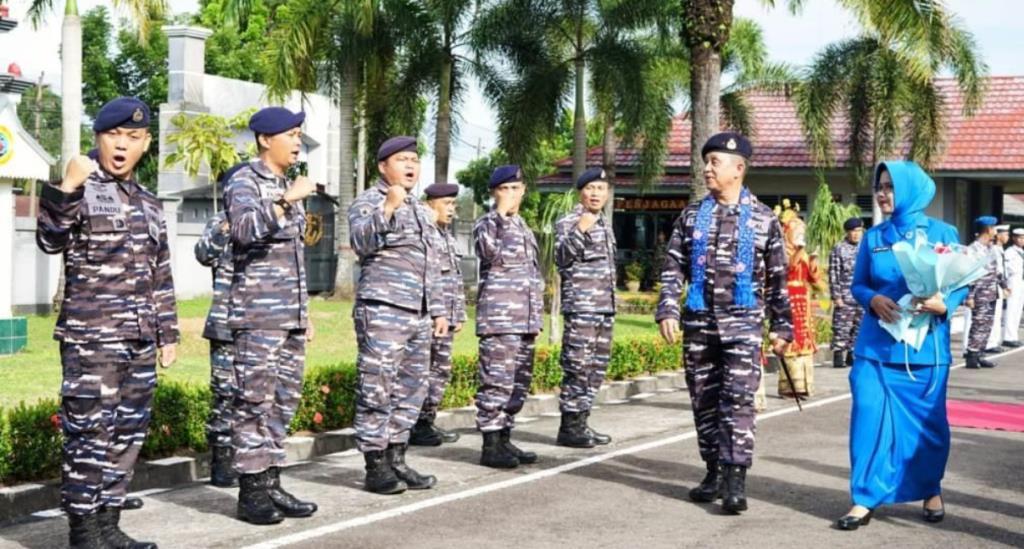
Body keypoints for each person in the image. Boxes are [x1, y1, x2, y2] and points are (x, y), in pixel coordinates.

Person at [37, 97, 177, 549]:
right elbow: (49, 239)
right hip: (91, 339)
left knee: (127, 434)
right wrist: (67, 187)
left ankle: (109, 526)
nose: (122, 145)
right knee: (89, 434)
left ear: (146, 143)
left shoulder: (150, 203)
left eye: (133, 138)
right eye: (114, 135)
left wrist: (167, 333)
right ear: (98, 138)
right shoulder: (80, 185)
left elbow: (161, 272)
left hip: (139, 338)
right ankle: (83, 531)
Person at [657, 132, 792, 515]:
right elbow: (673, 266)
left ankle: (735, 478)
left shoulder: (765, 220)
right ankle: (713, 471)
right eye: (707, 161)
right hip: (700, 324)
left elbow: (779, 279)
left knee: (738, 400)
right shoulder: (690, 216)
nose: (707, 169)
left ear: (739, 168)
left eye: (715, 162)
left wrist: (782, 327)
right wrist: (668, 308)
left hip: (743, 327)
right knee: (704, 401)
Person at [837, 161, 968, 530]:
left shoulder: (943, 233)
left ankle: (930, 488)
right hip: (876, 348)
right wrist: (872, 299)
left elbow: (961, 281)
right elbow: (859, 284)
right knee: (867, 418)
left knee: (928, 428)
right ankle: (864, 497)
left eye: (891, 187)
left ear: (911, 190)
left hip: (926, 351)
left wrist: (947, 305)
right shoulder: (875, 238)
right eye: (880, 186)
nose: (883, 194)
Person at [224, 107, 318, 524]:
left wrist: (306, 313)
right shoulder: (245, 180)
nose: (297, 141)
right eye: (291, 134)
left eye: (299, 134)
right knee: (253, 403)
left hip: (290, 316)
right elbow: (242, 231)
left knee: (283, 402)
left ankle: (272, 483)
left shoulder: (286, 183)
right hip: (259, 315)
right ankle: (250, 494)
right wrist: (284, 201)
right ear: (265, 139)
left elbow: (294, 259)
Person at [349, 136, 448, 494]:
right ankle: (375, 465)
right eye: (403, 159)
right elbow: (360, 243)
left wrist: (437, 310)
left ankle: (397, 458)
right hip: (383, 309)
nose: (410, 166)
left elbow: (432, 264)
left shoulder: (423, 210)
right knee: (377, 387)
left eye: (415, 159)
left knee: (411, 389)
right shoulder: (369, 201)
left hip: (419, 314)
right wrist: (387, 209)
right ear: (383, 166)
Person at [474, 165, 544, 469]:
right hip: (500, 318)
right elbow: (488, 253)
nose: (511, 195)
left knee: (518, 382)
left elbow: (532, 273)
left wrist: (535, 317)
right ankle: (490, 444)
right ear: (494, 193)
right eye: (505, 189)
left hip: (524, 318)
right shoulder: (488, 223)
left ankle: (504, 437)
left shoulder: (524, 226)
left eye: (516, 189)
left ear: (524, 191)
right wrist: (500, 216)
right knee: (497, 381)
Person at [554, 167, 616, 448]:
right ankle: (569, 427)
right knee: (577, 365)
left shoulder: (605, 223)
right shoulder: (569, 221)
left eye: (601, 189)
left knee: (596, 368)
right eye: (590, 188)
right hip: (581, 307)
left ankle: (582, 422)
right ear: (581, 192)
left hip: (604, 308)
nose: (595, 194)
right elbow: (562, 258)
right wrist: (580, 229)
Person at [194, 162, 247, 488]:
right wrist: (226, 225)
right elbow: (203, 254)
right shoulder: (221, 221)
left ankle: (250, 456)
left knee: (254, 394)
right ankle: (222, 458)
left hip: (260, 321)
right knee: (225, 393)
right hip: (226, 323)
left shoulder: (264, 219)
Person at [409, 182, 466, 446]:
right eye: (446, 204)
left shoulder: (447, 236)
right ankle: (415, 424)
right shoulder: (427, 234)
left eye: (453, 204)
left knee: (440, 371)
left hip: (448, 317)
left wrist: (460, 313)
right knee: (422, 370)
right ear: (430, 204)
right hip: (431, 315)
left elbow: (455, 279)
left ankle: (427, 421)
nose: (451, 209)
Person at [776, 201, 825, 398]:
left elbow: (814, 279)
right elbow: (784, 271)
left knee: (803, 338)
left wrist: (813, 260)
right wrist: (797, 253)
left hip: (802, 299)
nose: (799, 235)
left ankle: (804, 385)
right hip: (787, 298)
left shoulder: (803, 254)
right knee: (789, 337)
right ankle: (789, 386)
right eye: (795, 230)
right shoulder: (780, 252)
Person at [963, 217, 1001, 369]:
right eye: (994, 228)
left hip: (991, 292)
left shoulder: (990, 248)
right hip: (979, 293)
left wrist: (1002, 286)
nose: (996, 231)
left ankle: (980, 353)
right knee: (978, 324)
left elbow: (996, 271)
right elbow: (969, 275)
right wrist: (970, 296)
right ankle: (972, 355)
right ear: (988, 229)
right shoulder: (973, 249)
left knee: (987, 325)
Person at [829, 218, 864, 368]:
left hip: (862, 296)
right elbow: (833, 273)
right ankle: (838, 356)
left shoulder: (865, 248)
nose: (856, 235)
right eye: (853, 231)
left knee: (859, 327)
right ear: (847, 232)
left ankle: (852, 355)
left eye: (858, 231)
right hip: (845, 295)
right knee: (842, 327)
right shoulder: (839, 248)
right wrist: (836, 296)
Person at [985, 225, 1011, 352]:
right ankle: (990, 343)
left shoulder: (1000, 249)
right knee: (993, 316)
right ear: (998, 235)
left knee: (997, 315)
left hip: (999, 285)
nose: (1007, 237)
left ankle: (993, 342)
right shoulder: (994, 249)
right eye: (1005, 234)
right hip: (993, 285)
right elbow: (997, 271)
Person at [1003, 228, 1024, 347]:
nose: (1022, 240)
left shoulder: (1021, 251)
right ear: (1013, 238)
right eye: (1020, 237)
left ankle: (1013, 335)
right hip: (1012, 281)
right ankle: (1008, 337)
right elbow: (1006, 269)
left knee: (1018, 309)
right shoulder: (1009, 252)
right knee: (1011, 309)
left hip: (1020, 281)